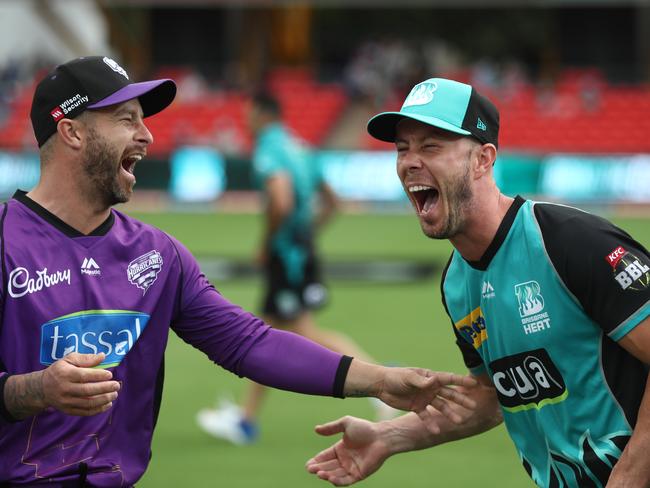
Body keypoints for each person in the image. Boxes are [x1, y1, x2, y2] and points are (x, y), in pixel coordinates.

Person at [0, 59, 480, 487]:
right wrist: (35, 390)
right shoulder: (6, 241)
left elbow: (248, 343)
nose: (146, 136)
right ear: (73, 132)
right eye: (127, 120)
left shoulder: (158, 254)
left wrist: (379, 380)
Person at [306, 77, 650, 487]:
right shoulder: (456, 283)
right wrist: (388, 435)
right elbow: (493, 397)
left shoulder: (569, 242)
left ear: (483, 159)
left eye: (431, 146)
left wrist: (629, 475)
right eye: (402, 148)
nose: (410, 162)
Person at [196, 92, 396, 445]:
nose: (245, 120)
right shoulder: (300, 146)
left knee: (296, 333)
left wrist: (268, 241)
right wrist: (308, 233)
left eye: (248, 113)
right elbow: (332, 200)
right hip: (300, 253)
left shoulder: (269, 150)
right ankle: (245, 421)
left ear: (260, 114)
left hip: (285, 258)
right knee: (267, 333)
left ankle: (381, 384)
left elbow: (282, 198)